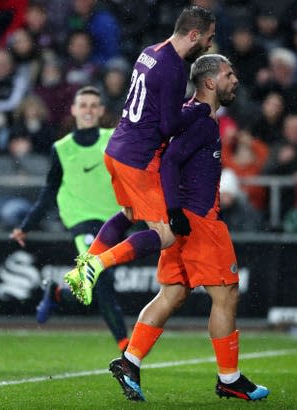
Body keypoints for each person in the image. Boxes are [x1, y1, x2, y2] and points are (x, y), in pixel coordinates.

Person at [108, 54, 269, 402]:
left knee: (173, 294)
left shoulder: (190, 114)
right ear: (210, 82)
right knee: (225, 295)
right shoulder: (203, 121)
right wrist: (175, 210)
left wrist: (171, 211)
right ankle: (229, 377)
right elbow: (171, 160)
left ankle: (130, 361)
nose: (235, 80)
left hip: (181, 219)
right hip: (198, 220)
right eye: (229, 74)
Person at [63, 5, 216, 306]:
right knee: (166, 234)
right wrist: (199, 109)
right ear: (194, 34)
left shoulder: (150, 51)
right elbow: (169, 125)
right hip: (138, 157)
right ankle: (97, 265)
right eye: (208, 38)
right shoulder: (174, 66)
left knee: (129, 214)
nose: (209, 45)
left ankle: (83, 266)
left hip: (117, 148)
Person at [9, 86, 129, 350]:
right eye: (83, 105)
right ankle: (126, 347)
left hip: (115, 221)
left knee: (94, 284)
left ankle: (58, 293)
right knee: (102, 279)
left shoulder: (114, 139)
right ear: (74, 110)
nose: (87, 110)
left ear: (100, 111)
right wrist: (26, 225)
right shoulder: (62, 149)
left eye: (92, 105)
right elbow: (49, 191)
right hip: (81, 222)